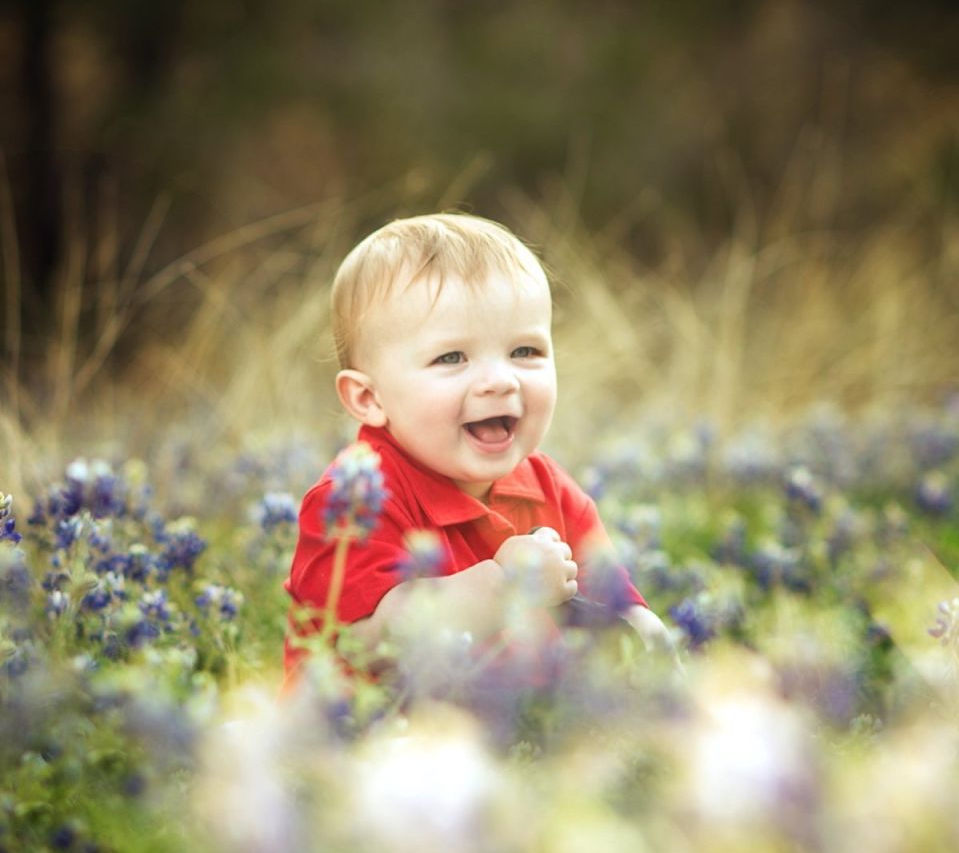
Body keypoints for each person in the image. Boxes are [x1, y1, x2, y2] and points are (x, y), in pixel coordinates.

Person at [284, 212, 670, 690]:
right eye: (452, 357)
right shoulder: (353, 501)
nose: (500, 380)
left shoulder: (548, 487)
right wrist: (506, 586)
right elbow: (367, 641)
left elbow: (611, 597)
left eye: (525, 351)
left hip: (508, 732)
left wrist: (643, 631)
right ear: (370, 398)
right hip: (366, 740)